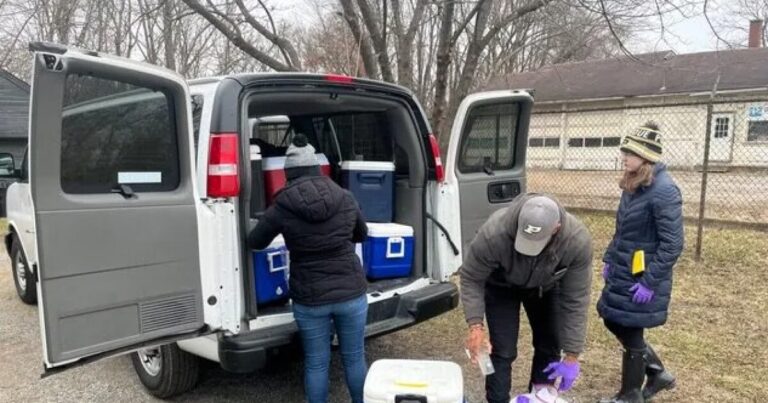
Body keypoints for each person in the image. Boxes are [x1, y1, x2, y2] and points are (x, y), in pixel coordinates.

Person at [248, 134, 369, 403]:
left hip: (310, 297)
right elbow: (361, 234)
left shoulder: (281, 205)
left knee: (316, 363)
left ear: (287, 174)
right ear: (317, 168)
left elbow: (255, 242)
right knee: (354, 358)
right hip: (351, 293)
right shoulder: (345, 197)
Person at [460, 193, 593, 403]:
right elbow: (471, 277)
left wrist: (572, 355)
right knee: (502, 350)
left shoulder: (576, 241)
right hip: (501, 285)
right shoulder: (494, 233)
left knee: (549, 346)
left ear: (556, 228)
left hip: (546, 287)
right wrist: (475, 325)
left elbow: (576, 298)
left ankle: (539, 397)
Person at [597, 122, 684, 403]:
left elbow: (672, 244)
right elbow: (622, 229)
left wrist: (649, 282)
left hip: (643, 276)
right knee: (613, 319)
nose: (624, 157)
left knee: (632, 330)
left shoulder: (664, 191)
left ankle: (630, 394)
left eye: (629, 152)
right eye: (624, 151)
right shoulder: (634, 184)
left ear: (646, 157)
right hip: (624, 268)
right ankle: (658, 373)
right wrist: (609, 258)